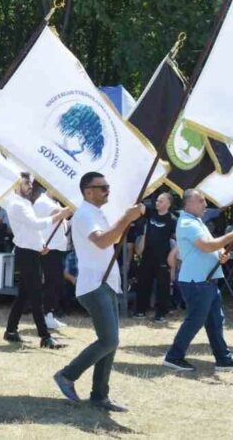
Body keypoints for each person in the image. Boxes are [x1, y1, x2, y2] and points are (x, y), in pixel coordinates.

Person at [53, 172, 144, 413]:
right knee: (109, 340)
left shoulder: (96, 213)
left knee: (110, 342)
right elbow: (103, 241)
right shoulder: (84, 214)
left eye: (107, 186)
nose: (107, 190)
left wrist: (126, 219)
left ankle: (100, 396)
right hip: (94, 285)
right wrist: (126, 217)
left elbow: (111, 239)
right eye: (102, 187)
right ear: (88, 191)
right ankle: (67, 375)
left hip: (105, 283)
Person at [162, 189, 233, 372]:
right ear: (188, 203)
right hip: (197, 280)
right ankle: (174, 357)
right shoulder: (187, 223)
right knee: (196, 320)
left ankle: (223, 359)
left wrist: (221, 254)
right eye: (200, 201)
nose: (205, 204)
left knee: (215, 320)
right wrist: (231, 236)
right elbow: (206, 246)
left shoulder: (197, 221)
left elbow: (210, 246)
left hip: (206, 279)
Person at [4, 173, 72, 348]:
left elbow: (31, 230)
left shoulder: (23, 203)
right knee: (35, 295)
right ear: (16, 184)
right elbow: (36, 224)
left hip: (30, 251)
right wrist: (60, 214)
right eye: (26, 183)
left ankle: (11, 330)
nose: (30, 186)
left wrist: (41, 244)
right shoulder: (17, 204)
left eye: (31, 183)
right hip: (26, 253)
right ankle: (45, 336)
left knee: (24, 294)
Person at [132, 192, 177, 322]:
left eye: (161, 201)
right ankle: (140, 311)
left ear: (168, 203)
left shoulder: (172, 220)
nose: (157, 203)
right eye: (157, 200)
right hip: (147, 255)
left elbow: (179, 238)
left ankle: (161, 314)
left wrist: (173, 255)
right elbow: (139, 207)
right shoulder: (151, 213)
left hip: (163, 257)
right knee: (143, 282)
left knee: (163, 286)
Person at [34, 187, 70, 328]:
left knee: (56, 282)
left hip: (56, 247)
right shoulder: (42, 202)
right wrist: (75, 202)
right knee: (51, 282)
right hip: (48, 248)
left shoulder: (55, 202)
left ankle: (50, 314)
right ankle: (46, 314)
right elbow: (61, 214)